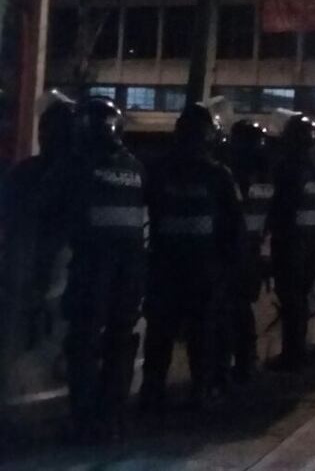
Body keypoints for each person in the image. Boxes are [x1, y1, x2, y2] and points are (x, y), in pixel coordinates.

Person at [56, 98, 147, 442]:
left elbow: (51, 208)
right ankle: (113, 417)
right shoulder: (136, 168)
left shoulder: (78, 166)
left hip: (93, 270)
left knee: (82, 343)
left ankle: (84, 419)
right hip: (130, 273)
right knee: (120, 342)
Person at [142, 103, 244, 411]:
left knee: (160, 334)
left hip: (166, 267)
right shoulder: (218, 175)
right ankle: (200, 392)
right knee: (201, 335)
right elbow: (233, 227)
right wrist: (228, 268)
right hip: (202, 270)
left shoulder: (157, 170)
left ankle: (153, 393)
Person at [0, 95, 74, 401]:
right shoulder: (75, 174)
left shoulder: (24, 171)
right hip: (55, 264)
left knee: (17, 331)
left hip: (24, 261)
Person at [267, 114, 315, 371]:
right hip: (313, 243)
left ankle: (293, 355)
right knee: (300, 298)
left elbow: (281, 206)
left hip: (291, 242)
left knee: (291, 299)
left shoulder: (289, 167)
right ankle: (297, 351)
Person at [223, 119, 272, 384]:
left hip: (233, 251)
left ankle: (231, 366)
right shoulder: (268, 173)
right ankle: (246, 362)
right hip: (253, 251)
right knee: (243, 310)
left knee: (229, 310)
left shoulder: (235, 172)